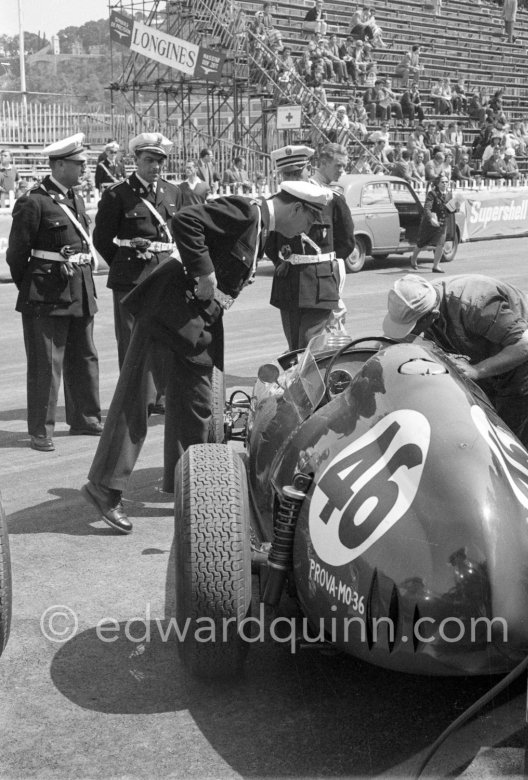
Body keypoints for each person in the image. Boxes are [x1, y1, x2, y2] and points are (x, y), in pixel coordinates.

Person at [81, 180, 332, 533]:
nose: (307, 229)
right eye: (309, 220)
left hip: (197, 322)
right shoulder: (245, 211)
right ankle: (103, 488)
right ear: (295, 209)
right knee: (137, 401)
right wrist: (204, 271)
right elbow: (185, 220)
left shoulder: (259, 226)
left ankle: (192, 487)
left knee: (196, 405)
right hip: (169, 312)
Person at [382, 274, 528, 466]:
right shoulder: (417, 300)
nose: (411, 333)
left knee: (513, 426)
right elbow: (398, 343)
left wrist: (477, 370)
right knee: (485, 412)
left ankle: (524, 476)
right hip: (494, 341)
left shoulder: (475, 305)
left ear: (432, 316)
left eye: (413, 327)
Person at [6, 133, 102, 452]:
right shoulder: (33, 201)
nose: (84, 168)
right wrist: (33, 287)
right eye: (79, 164)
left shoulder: (73, 197)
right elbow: (17, 255)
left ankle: (85, 417)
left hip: (79, 289)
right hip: (46, 294)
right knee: (47, 364)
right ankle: (40, 430)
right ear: (59, 165)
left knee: (84, 356)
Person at [93, 132, 184, 414]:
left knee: (164, 336)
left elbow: (180, 234)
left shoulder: (172, 192)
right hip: (131, 277)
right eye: (149, 160)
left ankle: (162, 396)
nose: (155, 166)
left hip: (166, 276)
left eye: (160, 161)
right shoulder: (118, 193)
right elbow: (101, 238)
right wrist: (123, 263)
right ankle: (134, 398)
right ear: (135, 160)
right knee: (132, 340)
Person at [266, 143, 355, 352]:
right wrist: (323, 263)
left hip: (300, 280)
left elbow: (270, 246)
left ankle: (306, 382)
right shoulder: (329, 200)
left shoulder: (330, 200)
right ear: (307, 170)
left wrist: (287, 260)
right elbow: (347, 242)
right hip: (309, 280)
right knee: (300, 345)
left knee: (304, 344)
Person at [409, 173, 456, 273]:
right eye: (442, 182)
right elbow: (427, 208)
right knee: (421, 244)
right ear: (438, 184)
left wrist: (456, 207)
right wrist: (431, 219)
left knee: (440, 244)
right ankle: (413, 258)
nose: (444, 184)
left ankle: (436, 266)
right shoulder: (432, 194)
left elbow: (450, 210)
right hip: (429, 224)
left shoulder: (449, 194)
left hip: (442, 224)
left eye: (446, 182)